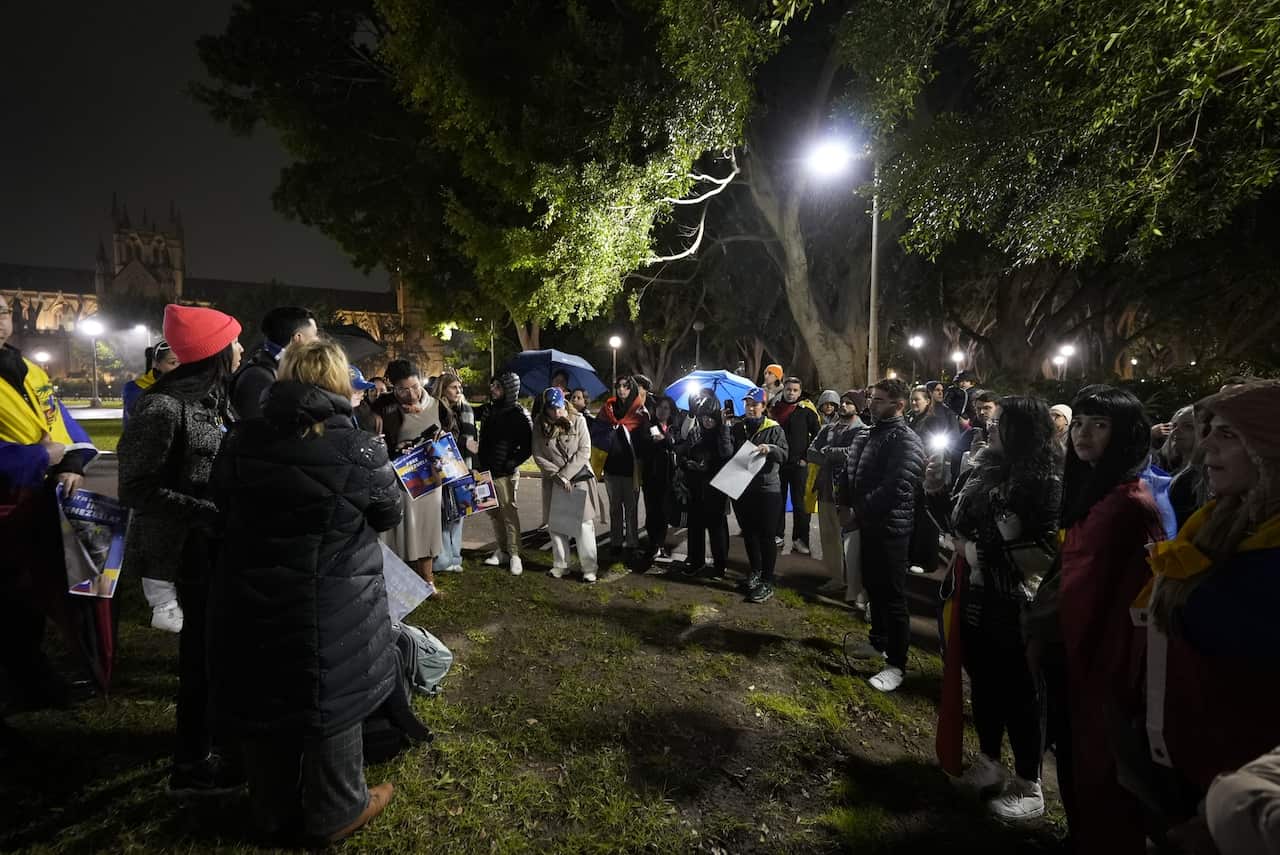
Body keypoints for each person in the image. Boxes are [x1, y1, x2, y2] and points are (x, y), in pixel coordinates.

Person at [209, 338, 402, 843]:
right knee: (330, 694)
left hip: (251, 591)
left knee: (265, 687)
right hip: (333, 598)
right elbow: (388, 513)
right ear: (340, 382)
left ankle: (270, 807)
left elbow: (221, 506)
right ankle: (337, 809)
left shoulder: (241, 438)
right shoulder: (359, 446)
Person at [1137, 381, 1280, 840]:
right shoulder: (1213, 524)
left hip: (1244, 798)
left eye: (1229, 436)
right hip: (1186, 756)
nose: (1204, 448)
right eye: (1208, 431)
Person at [1027, 385, 1165, 855]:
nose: (1083, 434)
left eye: (1099, 425)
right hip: (1074, 653)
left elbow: (1127, 598)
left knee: (1103, 769)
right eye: (1079, 423)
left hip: (1102, 663)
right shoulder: (1095, 490)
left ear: (1125, 434)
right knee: (1076, 759)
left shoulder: (1127, 504)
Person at [117, 303, 244, 793]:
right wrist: (209, 512)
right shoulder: (162, 407)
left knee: (217, 652)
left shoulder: (216, 401)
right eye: (233, 341)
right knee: (199, 657)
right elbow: (137, 488)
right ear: (214, 351)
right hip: (186, 551)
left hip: (215, 546)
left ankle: (213, 740)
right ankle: (190, 764)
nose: (240, 350)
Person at [928, 397, 1062, 820]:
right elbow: (957, 527)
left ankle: (1030, 782)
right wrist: (934, 493)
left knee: (1022, 691)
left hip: (1018, 602)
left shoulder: (1049, 481)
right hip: (977, 596)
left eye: (1000, 422)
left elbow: (1044, 552)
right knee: (983, 679)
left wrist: (977, 552)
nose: (990, 427)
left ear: (1022, 430)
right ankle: (989, 762)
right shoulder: (983, 468)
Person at [0, 293, 95, 721]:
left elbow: (62, 423)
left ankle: (31, 679)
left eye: (1, 313)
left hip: (35, 504)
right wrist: (39, 457)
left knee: (29, 599)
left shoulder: (30, 368)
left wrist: (72, 461)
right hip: (6, 502)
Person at [837, 377, 926, 693]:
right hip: (866, 526)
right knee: (873, 589)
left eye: (878, 400)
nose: (870, 405)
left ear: (898, 405)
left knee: (892, 596)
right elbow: (850, 471)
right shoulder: (866, 434)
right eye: (871, 399)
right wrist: (843, 502)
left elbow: (896, 487)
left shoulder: (907, 441)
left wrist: (858, 514)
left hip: (890, 529)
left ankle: (897, 663)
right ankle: (878, 642)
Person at [375, 359, 453, 589]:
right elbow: (372, 438)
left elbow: (451, 433)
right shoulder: (383, 407)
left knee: (427, 527)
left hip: (429, 479)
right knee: (396, 530)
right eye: (403, 389)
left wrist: (441, 442)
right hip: (399, 479)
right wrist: (394, 449)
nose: (411, 394)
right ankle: (394, 582)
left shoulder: (438, 405)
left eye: (415, 386)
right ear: (393, 387)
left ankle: (427, 579)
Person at [532, 387, 604, 582]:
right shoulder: (539, 425)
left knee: (583, 525)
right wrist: (556, 476)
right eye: (552, 409)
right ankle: (560, 564)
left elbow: (584, 451)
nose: (557, 412)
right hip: (554, 481)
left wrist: (566, 475)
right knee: (556, 525)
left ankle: (589, 567)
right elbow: (538, 454)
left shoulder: (578, 420)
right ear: (545, 409)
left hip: (577, 478)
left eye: (560, 407)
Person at [730, 387, 788, 603]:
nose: (750, 408)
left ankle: (767, 580)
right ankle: (755, 571)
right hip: (743, 487)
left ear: (764, 407)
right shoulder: (737, 427)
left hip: (767, 490)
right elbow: (730, 453)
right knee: (750, 533)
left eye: (755, 404)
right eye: (747, 404)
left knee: (766, 537)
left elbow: (784, 454)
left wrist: (770, 448)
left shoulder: (774, 429)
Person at [807, 389, 867, 593]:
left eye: (849, 403)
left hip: (847, 493)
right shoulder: (828, 429)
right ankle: (836, 578)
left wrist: (829, 452)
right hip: (825, 489)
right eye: (842, 402)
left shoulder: (862, 431)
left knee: (851, 540)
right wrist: (830, 455)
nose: (843, 406)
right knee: (828, 536)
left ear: (857, 408)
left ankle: (854, 584)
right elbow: (811, 451)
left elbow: (854, 454)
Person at [476, 371, 532, 575]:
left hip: (505, 473)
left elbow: (528, 447)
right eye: (492, 386)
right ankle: (502, 550)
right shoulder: (488, 410)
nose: (493, 390)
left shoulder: (519, 415)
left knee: (509, 513)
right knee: (493, 513)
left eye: (497, 386)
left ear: (509, 389)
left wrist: (512, 463)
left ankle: (515, 554)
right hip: (484, 471)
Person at [675, 394, 734, 579]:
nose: (707, 420)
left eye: (711, 416)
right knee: (695, 528)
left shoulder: (724, 432)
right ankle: (696, 561)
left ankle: (720, 565)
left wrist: (724, 427)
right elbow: (683, 451)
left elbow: (727, 453)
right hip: (695, 487)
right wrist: (687, 463)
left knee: (717, 530)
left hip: (716, 488)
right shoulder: (695, 432)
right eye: (703, 416)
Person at [229, 306, 318, 421]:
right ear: (297, 338)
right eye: (315, 334)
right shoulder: (258, 377)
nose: (317, 340)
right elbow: (259, 430)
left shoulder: (272, 367)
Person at [600, 375, 647, 559]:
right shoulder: (608, 409)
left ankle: (632, 543)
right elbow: (598, 433)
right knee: (614, 509)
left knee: (631, 509)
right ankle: (616, 542)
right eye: (619, 386)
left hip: (631, 470)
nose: (622, 390)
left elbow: (643, 442)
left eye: (626, 387)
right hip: (611, 468)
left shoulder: (639, 413)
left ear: (632, 389)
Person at [771, 377, 820, 554]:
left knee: (800, 505)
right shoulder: (775, 409)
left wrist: (806, 458)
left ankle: (801, 539)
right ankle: (778, 535)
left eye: (795, 390)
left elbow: (818, 436)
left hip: (800, 465)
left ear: (800, 392)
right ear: (783, 390)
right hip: (779, 464)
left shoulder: (807, 410)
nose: (791, 393)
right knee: (778, 501)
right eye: (788, 389)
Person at [437, 373, 477, 574]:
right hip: (444, 466)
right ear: (443, 389)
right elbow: (442, 438)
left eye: (460, 387)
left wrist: (473, 467)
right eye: (453, 387)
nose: (458, 391)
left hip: (463, 466)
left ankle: (455, 556)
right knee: (444, 513)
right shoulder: (437, 408)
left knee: (459, 511)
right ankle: (444, 558)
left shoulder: (466, 409)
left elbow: (472, 441)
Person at [636, 395, 678, 567]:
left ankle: (660, 544)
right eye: (660, 407)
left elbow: (675, 443)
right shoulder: (649, 425)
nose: (662, 411)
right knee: (653, 511)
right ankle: (653, 544)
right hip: (652, 476)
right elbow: (651, 443)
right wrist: (666, 441)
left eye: (666, 408)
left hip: (670, 476)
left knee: (665, 512)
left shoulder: (674, 427)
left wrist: (667, 440)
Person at [123, 339, 179, 423]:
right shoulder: (136, 389)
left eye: (183, 363)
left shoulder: (190, 386)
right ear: (156, 364)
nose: (179, 368)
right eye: (173, 363)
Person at [349, 365, 380, 433]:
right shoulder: (334, 419)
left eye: (362, 390)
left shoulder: (363, 410)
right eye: (356, 391)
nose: (362, 394)